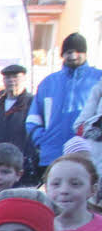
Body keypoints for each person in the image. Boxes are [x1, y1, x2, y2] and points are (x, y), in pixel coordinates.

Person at [26, 32, 102, 186]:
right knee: (54, 200)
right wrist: (43, 141)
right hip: (52, 154)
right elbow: (33, 119)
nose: (73, 56)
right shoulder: (48, 82)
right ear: (63, 54)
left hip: (88, 156)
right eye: (69, 52)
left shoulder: (98, 79)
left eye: (78, 52)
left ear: (85, 53)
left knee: (84, 200)